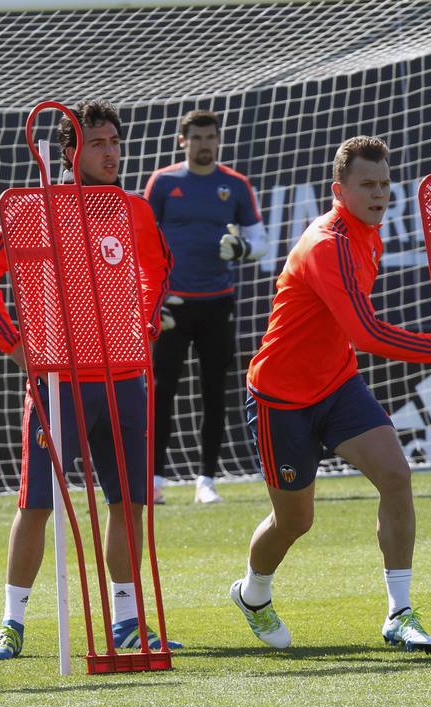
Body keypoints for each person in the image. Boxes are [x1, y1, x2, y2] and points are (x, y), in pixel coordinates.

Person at [229, 136, 431, 653]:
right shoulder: (327, 243)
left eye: (385, 184)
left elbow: (351, 338)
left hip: (338, 385)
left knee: (396, 475)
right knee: (295, 521)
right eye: (367, 185)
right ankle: (253, 594)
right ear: (339, 190)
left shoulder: (369, 233)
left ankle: (399, 613)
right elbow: (368, 333)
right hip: (279, 399)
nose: (380, 194)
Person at [0, 99, 180, 659]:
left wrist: (147, 319)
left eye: (115, 142)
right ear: (69, 151)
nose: (110, 153)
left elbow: (159, 271)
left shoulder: (132, 209)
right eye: (98, 143)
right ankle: (12, 623)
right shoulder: (37, 209)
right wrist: (17, 346)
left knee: (129, 501)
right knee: (36, 503)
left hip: (125, 378)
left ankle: (128, 620)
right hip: (59, 383)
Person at [144, 110, 266, 505]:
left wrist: (242, 248)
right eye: (196, 137)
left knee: (214, 392)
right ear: (183, 141)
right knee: (162, 391)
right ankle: (155, 479)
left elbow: (260, 242)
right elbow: (144, 241)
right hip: (172, 304)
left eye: (210, 137)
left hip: (218, 302)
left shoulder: (235, 185)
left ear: (218, 140)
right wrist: (152, 296)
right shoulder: (162, 183)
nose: (204, 144)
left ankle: (206, 481)